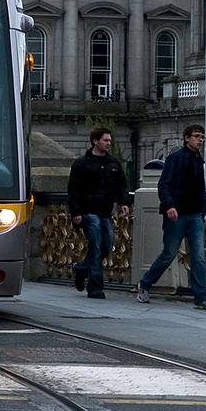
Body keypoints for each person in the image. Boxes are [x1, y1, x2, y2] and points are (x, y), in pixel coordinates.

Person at [139, 124, 206, 310]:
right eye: (197, 136)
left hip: (194, 215)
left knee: (198, 256)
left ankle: (201, 298)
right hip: (177, 214)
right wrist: (169, 205)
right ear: (186, 138)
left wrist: (201, 211)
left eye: (202, 137)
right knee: (169, 253)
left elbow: (199, 189)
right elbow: (164, 184)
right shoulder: (176, 158)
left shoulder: (198, 160)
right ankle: (145, 284)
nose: (200, 140)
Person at [68, 126, 128, 299]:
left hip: (105, 212)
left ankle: (81, 268)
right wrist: (76, 213)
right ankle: (95, 287)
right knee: (95, 247)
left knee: (107, 245)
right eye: (105, 140)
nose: (109, 143)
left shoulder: (114, 163)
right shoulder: (82, 163)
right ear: (95, 141)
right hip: (88, 212)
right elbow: (74, 190)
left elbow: (121, 186)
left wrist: (124, 202)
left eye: (110, 140)